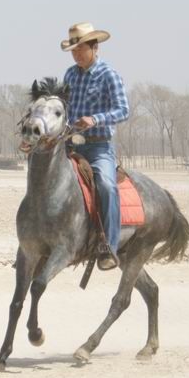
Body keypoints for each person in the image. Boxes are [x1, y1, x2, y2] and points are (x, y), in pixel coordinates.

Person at [61, 22, 130, 270]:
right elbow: (64, 107)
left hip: (99, 146)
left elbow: (124, 110)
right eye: (73, 50)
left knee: (106, 186)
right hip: (70, 145)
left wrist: (95, 119)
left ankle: (108, 247)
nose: (77, 54)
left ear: (95, 47)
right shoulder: (69, 75)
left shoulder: (109, 75)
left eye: (81, 49)